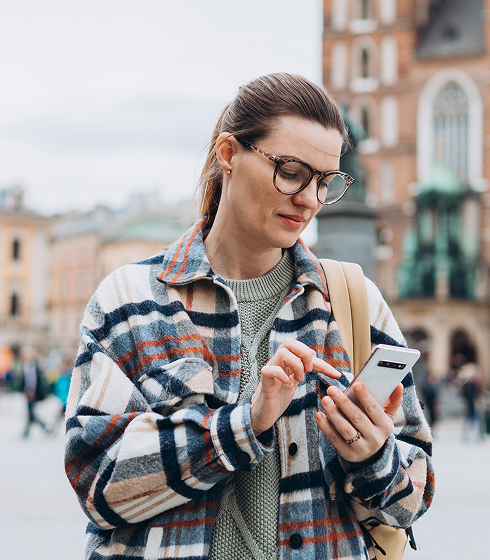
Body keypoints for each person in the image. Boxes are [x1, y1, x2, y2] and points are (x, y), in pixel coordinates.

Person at [63, 73, 435, 560]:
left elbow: (416, 497)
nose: (309, 199)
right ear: (229, 154)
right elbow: (96, 481)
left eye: (325, 182)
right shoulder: (130, 300)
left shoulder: (351, 301)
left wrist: (373, 456)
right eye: (292, 171)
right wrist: (244, 425)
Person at [21, 348, 49, 438]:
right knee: (30, 412)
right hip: (28, 392)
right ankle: (28, 431)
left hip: (31, 392)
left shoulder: (31, 365)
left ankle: (43, 427)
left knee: (31, 413)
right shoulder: (26, 365)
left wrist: (31, 391)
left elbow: (32, 380)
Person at [459, 363, 483, 442]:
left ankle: (478, 436)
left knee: (476, 421)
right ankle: (466, 436)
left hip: (475, 405)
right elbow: (465, 394)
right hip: (470, 405)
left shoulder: (476, 383)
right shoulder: (468, 384)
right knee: (469, 421)